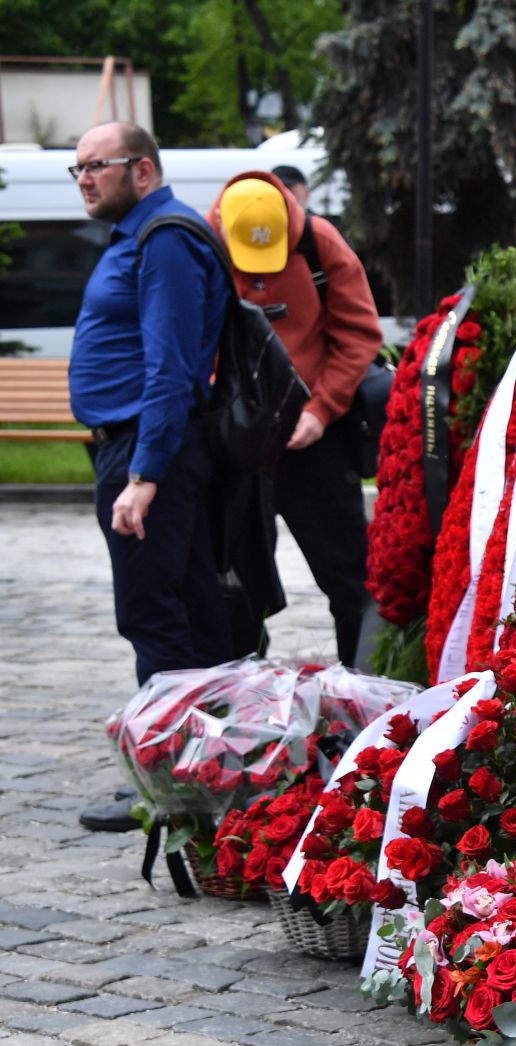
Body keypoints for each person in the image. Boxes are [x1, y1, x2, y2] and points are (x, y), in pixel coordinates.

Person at [68, 123, 230, 834]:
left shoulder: (163, 236)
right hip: (137, 447)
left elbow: (170, 365)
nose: (82, 179)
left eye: (94, 166)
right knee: (187, 612)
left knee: (154, 616)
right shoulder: (143, 233)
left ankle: (168, 793)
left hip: (149, 452)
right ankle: (206, 782)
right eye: (76, 168)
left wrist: (144, 472)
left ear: (141, 167)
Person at [209, 171, 383, 665]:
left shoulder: (320, 242)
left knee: (351, 576)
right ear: (221, 223)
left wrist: (321, 411)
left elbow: (358, 336)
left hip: (315, 441)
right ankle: (237, 689)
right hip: (236, 445)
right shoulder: (202, 239)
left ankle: (365, 686)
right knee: (235, 581)